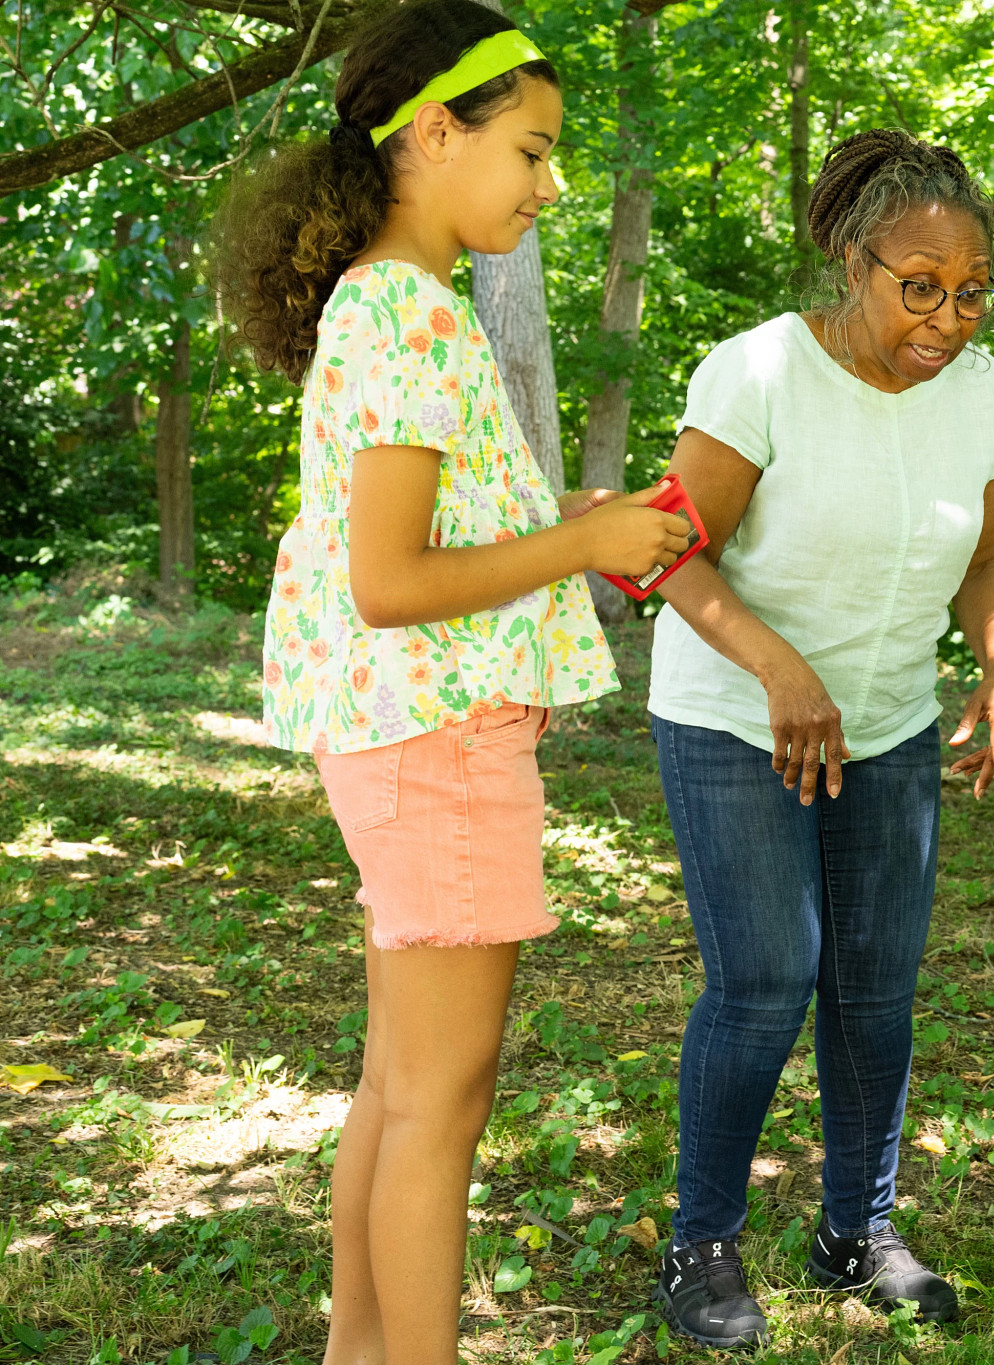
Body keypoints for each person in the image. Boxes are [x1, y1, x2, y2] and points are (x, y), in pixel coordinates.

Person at [210, 5, 695, 1362]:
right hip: (435, 735)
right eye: (532, 151)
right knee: (441, 1098)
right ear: (436, 132)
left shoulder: (388, 303)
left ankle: (361, 1350)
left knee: (399, 1083)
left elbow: (430, 538)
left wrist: (577, 516)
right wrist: (584, 544)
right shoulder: (408, 315)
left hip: (408, 732)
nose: (552, 184)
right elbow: (394, 580)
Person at [645, 130, 994, 1345]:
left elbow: (986, 556)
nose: (949, 317)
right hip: (735, 718)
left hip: (889, 732)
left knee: (873, 993)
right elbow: (669, 551)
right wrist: (777, 669)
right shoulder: (758, 373)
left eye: (971, 291)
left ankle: (855, 1229)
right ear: (852, 263)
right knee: (761, 984)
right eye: (919, 286)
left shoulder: (978, 391)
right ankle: (699, 1246)